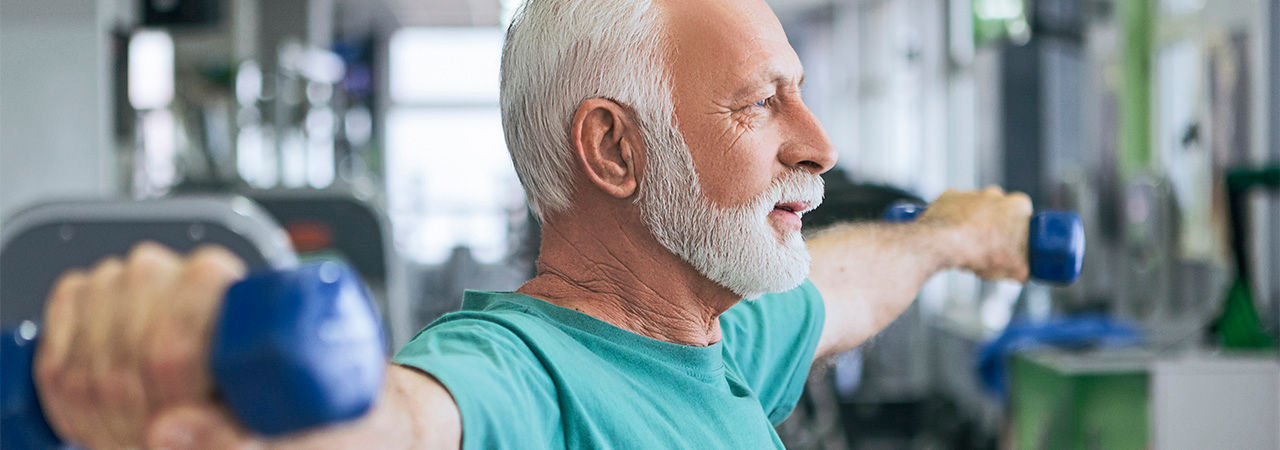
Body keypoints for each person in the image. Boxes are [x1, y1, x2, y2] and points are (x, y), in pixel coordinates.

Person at [31, 0, 1031, 448]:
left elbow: (841, 285)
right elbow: (401, 422)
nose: (818, 143)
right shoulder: (517, 378)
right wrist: (243, 397)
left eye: (800, 96)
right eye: (758, 103)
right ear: (614, 151)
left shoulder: (711, 336)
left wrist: (949, 234)